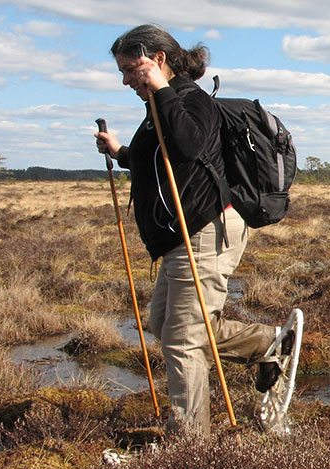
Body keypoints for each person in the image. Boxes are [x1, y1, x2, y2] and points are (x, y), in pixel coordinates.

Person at [94, 25, 289, 437]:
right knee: (165, 323)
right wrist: (121, 152)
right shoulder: (163, 105)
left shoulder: (191, 100)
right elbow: (167, 164)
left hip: (204, 231)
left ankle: (190, 445)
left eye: (131, 69)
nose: (126, 79)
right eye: (123, 72)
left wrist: (161, 89)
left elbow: (187, 145)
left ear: (158, 60)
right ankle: (267, 343)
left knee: (182, 339)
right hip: (181, 237)